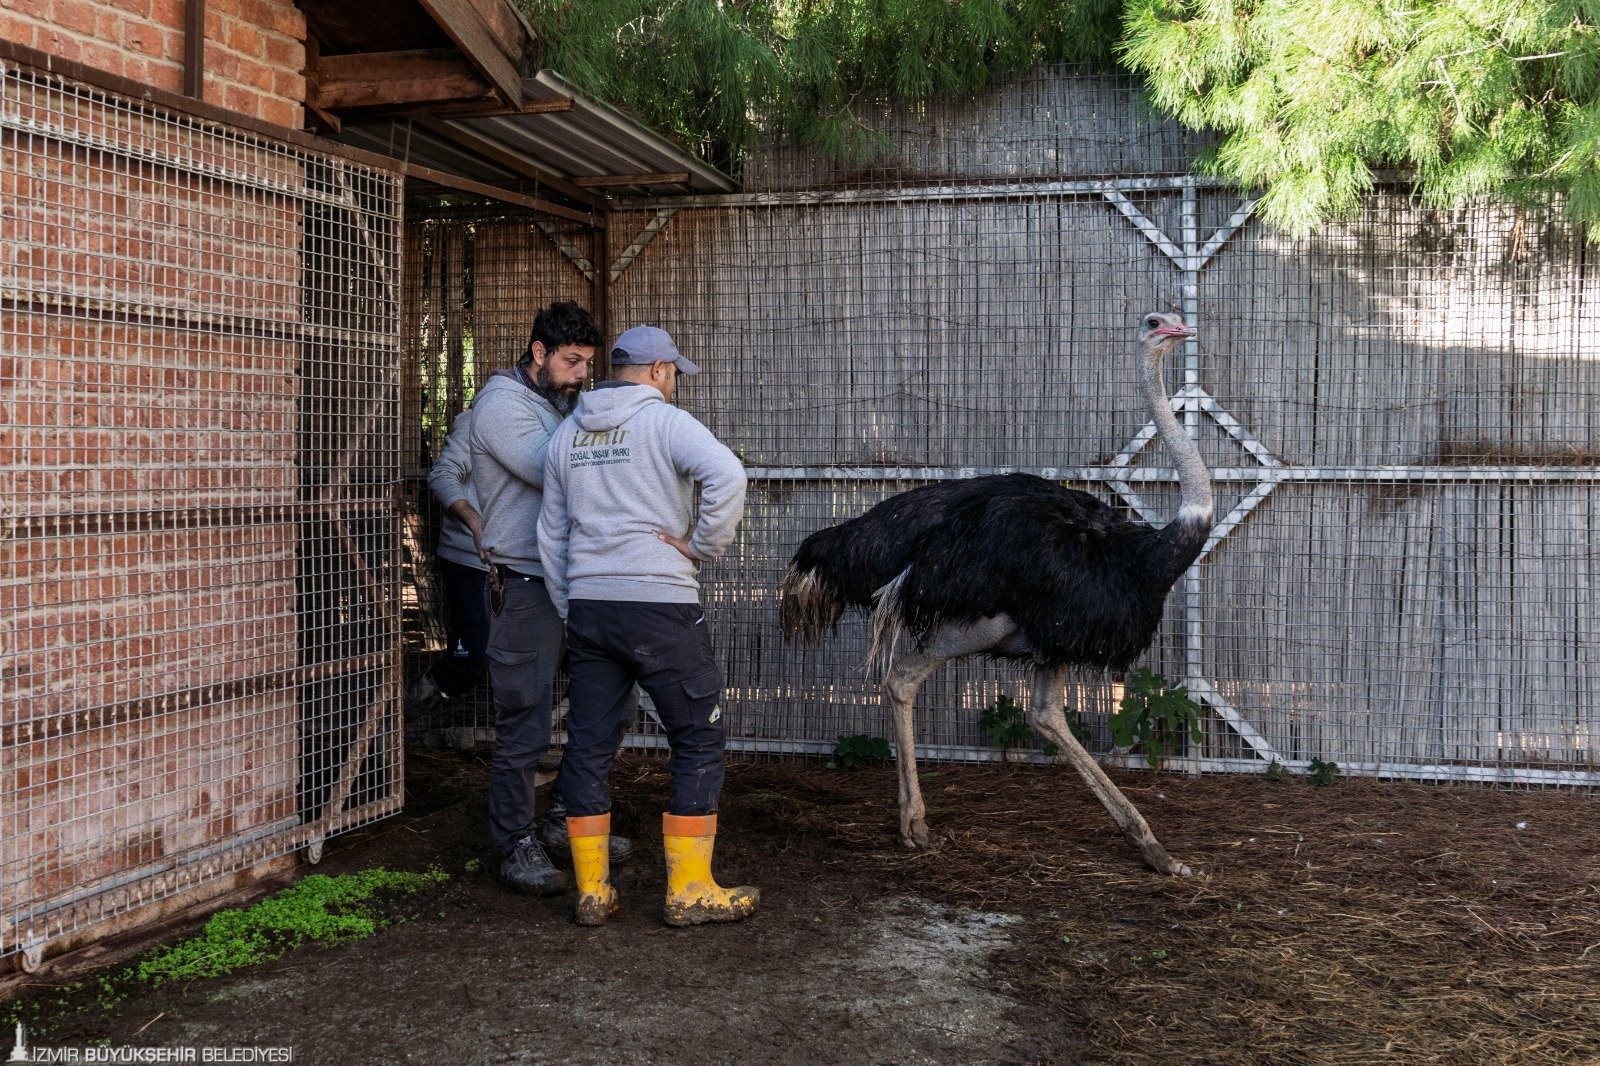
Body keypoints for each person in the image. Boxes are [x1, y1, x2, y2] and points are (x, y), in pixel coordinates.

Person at [537, 324, 755, 927]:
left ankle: (592, 890)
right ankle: (689, 888)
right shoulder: (664, 422)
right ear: (659, 371)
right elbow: (728, 476)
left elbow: (551, 534)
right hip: (660, 604)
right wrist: (701, 546)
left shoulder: (565, 436)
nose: (674, 382)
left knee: (588, 743)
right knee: (697, 736)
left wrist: (570, 604)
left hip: (590, 607)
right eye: (674, 372)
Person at [469, 300, 634, 895]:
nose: (580, 375)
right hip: (528, 585)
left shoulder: (558, 403)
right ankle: (515, 841)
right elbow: (564, 470)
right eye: (570, 362)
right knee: (526, 723)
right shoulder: (500, 407)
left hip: (581, 580)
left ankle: (569, 819)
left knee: (608, 705)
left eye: (587, 363)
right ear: (537, 353)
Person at [404, 408, 490, 732]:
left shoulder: (553, 418)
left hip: (521, 562)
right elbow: (442, 475)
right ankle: (394, 722)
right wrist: (475, 521)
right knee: (470, 660)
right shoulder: (478, 419)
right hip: (470, 558)